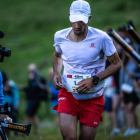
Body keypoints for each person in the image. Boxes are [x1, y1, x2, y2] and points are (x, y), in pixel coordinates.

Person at [52, 0, 122, 140]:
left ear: (89, 19)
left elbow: (117, 64)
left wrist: (94, 79)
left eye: (81, 21)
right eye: (74, 20)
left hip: (93, 98)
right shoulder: (60, 36)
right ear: (69, 16)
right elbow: (57, 55)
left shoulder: (102, 38)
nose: (77, 25)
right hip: (68, 94)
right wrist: (56, 73)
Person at [23, 63, 49, 134]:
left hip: (34, 100)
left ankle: (24, 130)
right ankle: (36, 131)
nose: (31, 72)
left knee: (27, 115)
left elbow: (37, 87)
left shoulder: (37, 79)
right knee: (34, 115)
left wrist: (31, 79)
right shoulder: (33, 78)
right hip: (32, 99)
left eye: (32, 70)